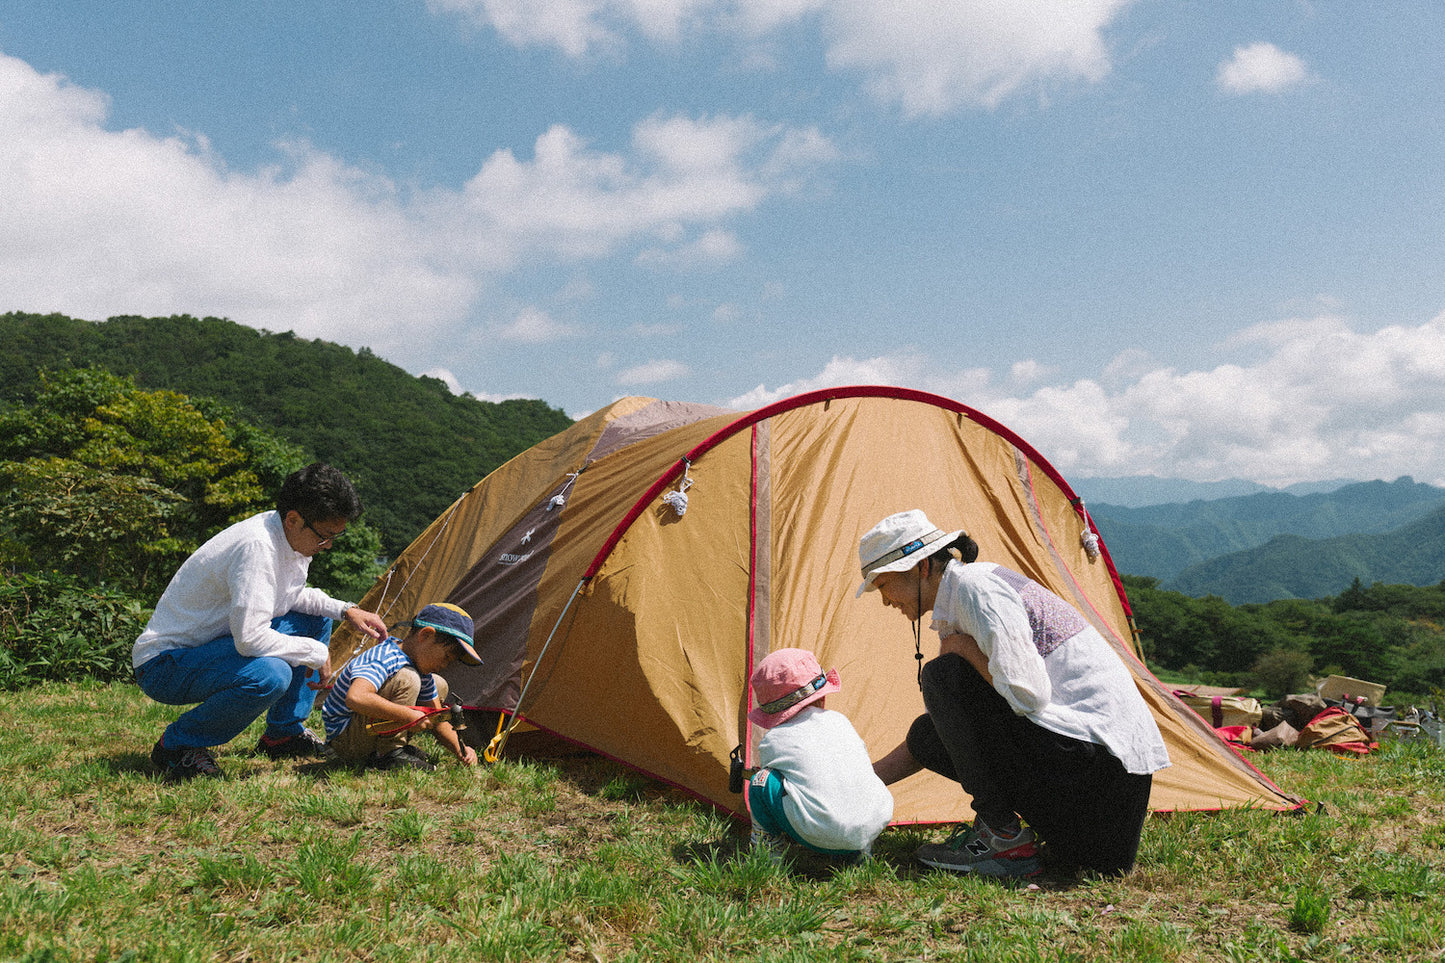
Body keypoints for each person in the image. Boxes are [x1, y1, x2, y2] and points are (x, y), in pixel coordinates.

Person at [858, 509, 1169, 878]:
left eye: (883, 585)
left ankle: (1003, 838)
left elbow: (1029, 696)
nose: (885, 600)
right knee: (929, 734)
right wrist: (856, 783)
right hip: (1099, 792)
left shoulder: (976, 589)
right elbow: (941, 735)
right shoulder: (961, 594)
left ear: (923, 567)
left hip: (1104, 776)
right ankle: (1017, 839)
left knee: (944, 676)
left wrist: (962, 648)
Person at [133, 463, 389, 781]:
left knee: (315, 619)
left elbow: (288, 597)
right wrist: (316, 653)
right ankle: (178, 746)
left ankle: (283, 735)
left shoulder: (284, 534)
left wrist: (346, 610)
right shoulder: (257, 548)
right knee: (270, 675)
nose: (329, 546)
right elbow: (250, 639)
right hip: (165, 665)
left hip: (213, 649)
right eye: (325, 537)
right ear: (294, 519)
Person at [745, 648, 894, 862]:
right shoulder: (841, 721)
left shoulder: (774, 740)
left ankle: (768, 849)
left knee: (761, 781)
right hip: (872, 825)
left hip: (820, 834)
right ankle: (862, 850)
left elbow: (781, 787)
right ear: (822, 697)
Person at [321, 602, 482, 771]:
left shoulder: (421, 667)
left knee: (438, 683)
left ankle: (393, 748)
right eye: (446, 657)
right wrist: (408, 715)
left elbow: (436, 717)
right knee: (408, 678)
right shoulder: (384, 656)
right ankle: (388, 753)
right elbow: (356, 698)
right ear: (425, 635)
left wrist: (461, 749)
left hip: (365, 734)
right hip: (345, 742)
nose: (445, 665)